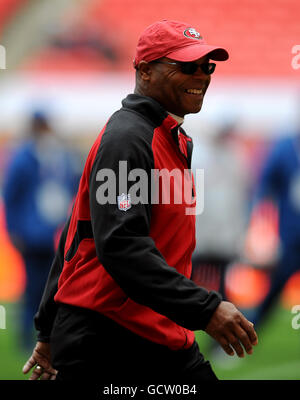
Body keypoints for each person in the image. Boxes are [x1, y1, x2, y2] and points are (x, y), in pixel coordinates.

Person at [22, 20, 258, 383]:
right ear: (146, 71)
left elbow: (76, 232)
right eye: (187, 66)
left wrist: (47, 329)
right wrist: (206, 309)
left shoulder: (171, 139)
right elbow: (120, 245)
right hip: (110, 338)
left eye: (206, 66)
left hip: (153, 330)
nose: (202, 75)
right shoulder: (127, 139)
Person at [2, 110, 81, 350]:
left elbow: (73, 184)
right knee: (35, 286)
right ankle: (28, 337)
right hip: (32, 235)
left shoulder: (58, 155)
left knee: (54, 287)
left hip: (53, 233)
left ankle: (46, 335)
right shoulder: (24, 157)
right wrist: (15, 231)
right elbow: (11, 197)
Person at [247, 131, 300, 329]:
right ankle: (251, 329)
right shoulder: (286, 148)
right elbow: (266, 185)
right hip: (291, 236)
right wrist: (260, 220)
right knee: (275, 287)